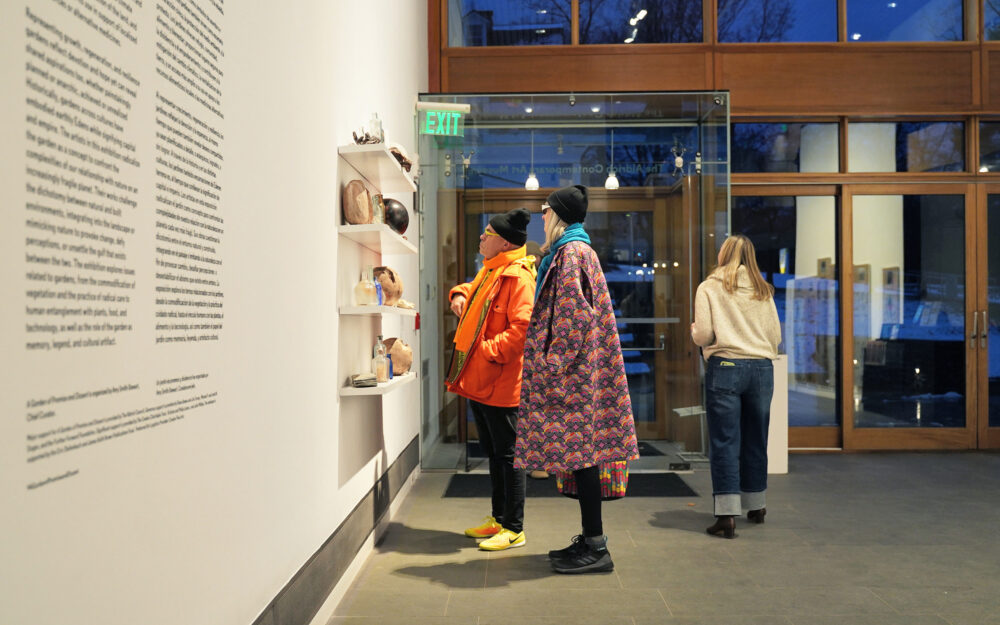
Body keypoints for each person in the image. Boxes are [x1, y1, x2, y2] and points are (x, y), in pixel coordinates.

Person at [514, 185, 639, 574]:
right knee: (584, 457)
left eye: (545, 210)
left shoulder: (571, 253)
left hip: (575, 377)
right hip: (582, 373)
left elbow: (572, 315)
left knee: (584, 458)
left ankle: (597, 547)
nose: (542, 216)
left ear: (559, 215)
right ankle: (589, 540)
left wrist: (552, 365)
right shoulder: (574, 250)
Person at [446, 207, 536, 551]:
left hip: (500, 382)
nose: (481, 238)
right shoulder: (492, 270)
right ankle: (499, 519)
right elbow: (473, 288)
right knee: (495, 454)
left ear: (505, 242)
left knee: (509, 456)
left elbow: (523, 330)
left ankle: (514, 528)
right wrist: (459, 294)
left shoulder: (517, 277)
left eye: (488, 233)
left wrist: (487, 351)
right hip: (482, 381)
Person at [690, 234, 782, 539]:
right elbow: (775, 336)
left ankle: (727, 515)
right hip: (761, 369)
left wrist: (695, 333)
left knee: (725, 442)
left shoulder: (710, 287)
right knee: (756, 438)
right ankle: (757, 506)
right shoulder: (763, 291)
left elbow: (703, 334)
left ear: (723, 254)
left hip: (726, 366)